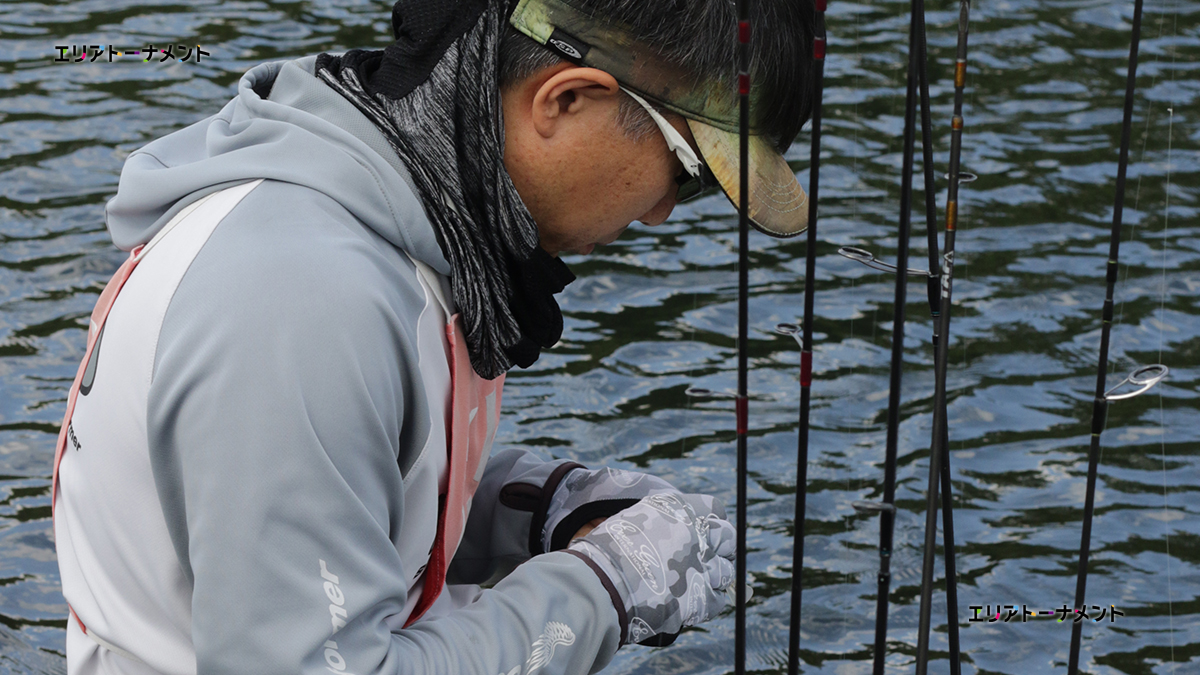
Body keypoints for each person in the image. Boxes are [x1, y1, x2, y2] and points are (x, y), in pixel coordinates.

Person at [51, 0, 814, 672]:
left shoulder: (387, 242)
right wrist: (602, 590)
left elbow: (334, 497)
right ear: (567, 98)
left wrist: (538, 512)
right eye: (687, 171)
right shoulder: (303, 299)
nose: (661, 214)